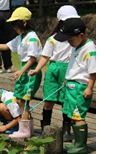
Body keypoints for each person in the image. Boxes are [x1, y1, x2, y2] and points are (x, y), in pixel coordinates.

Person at [0, 7, 42, 121]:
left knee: (23, 100)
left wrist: (22, 71)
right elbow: (6, 46)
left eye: (15, 24)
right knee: (19, 100)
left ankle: (25, 128)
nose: (14, 27)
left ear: (24, 22)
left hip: (30, 70)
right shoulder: (21, 37)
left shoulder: (32, 37)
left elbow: (33, 58)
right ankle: (26, 124)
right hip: (24, 68)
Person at [28, 6, 79, 140]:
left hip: (68, 69)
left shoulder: (76, 38)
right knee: (49, 99)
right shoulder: (53, 38)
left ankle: (66, 130)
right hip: (53, 70)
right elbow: (45, 56)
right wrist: (37, 69)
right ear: (60, 22)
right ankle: (46, 128)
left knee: (67, 100)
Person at [55, 17, 95, 154]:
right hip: (71, 85)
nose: (69, 43)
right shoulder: (77, 46)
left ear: (81, 35)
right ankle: (77, 143)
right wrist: (68, 79)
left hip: (80, 88)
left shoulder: (89, 48)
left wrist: (89, 87)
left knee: (78, 115)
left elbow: (93, 71)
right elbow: (74, 66)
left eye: (70, 40)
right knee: (72, 114)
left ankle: (81, 145)